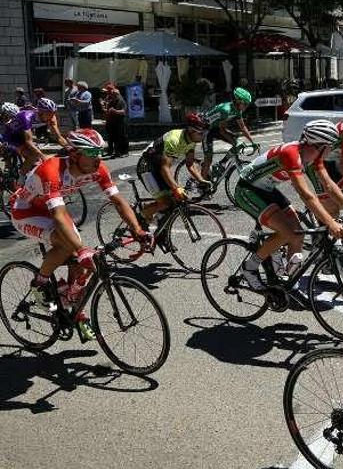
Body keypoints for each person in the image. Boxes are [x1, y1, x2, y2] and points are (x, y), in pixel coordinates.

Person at [10, 129, 150, 340]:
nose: (98, 158)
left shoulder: (98, 169)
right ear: (75, 154)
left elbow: (119, 201)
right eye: (92, 153)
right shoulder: (52, 170)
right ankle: (39, 284)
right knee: (70, 246)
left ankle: (73, 306)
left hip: (51, 210)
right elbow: (58, 216)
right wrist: (81, 249)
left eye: (99, 152)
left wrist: (137, 230)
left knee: (81, 261)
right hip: (26, 212)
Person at [234, 120, 343, 290]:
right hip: (247, 189)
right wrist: (331, 222)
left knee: (297, 233)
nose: (331, 150)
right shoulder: (291, 154)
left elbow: (329, 185)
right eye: (329, 146)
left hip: (267, 189)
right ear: (319, 145)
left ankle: (288, 280)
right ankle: (249, 267)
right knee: (287, 232)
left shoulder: (314, 157)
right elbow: (307, 196)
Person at [137, 113, 211, 226]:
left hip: (159, 168)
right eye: (202, 133)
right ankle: (139, 217)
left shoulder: (191, 141)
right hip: (147, 168)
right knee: (166, 202)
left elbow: (190, 164)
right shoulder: (174, 140)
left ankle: (159, 224)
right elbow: (164, 167)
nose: (204, 136)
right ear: (191, 130)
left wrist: (202, 180)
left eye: (205, 133)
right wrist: (176, 188)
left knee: (175, 201)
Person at [198, 87, 255, 182]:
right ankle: (202, 185)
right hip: (205, 129)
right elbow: (222, 130)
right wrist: (233, 140)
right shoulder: (226, 110)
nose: (246, 107)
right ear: (238, 101)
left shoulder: (237, 110)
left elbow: (243, 127)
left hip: (216, 128)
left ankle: (222, 163)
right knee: (208, 160)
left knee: (238, 144)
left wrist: (253, 142)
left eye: (247, 105)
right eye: (244, 104)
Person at [1, 102, 45, 177]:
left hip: (17, 136)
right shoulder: (23, 117)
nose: (15, 120)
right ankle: (20, 179)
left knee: (34, 155)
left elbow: (28, 137)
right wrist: (42, 156)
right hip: (10, 138)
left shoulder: (23, 115)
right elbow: (28, 141)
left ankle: (29, 170)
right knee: (33, 156)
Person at [101, 84, 128, 158]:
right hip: (111, 122)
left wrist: (115, 111)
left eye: (113, 95)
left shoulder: (121, 101)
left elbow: (123, 111)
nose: (111, 96)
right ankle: (112, 151)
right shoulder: (111, 101)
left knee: (121, 137)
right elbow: (108, 111)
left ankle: (123, 152)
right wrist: (105, 109)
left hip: (120, 121)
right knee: (111, 138)